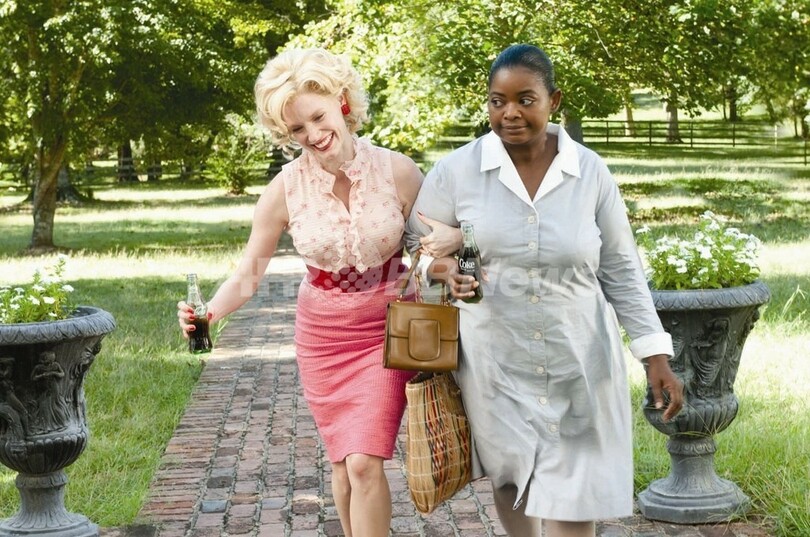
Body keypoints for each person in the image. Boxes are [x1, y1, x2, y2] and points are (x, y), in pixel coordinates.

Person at [176, 48, 460, 537]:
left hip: (388, 330)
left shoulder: (397, 171)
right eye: (297, 129)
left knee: (364, 462)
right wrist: (208, 313)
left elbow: (430, 251)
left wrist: (451, 254)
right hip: (324, 339)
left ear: (342, 101)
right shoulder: (284, 190)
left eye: (318, 116)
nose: (312, 134)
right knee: (343, 467)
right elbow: (248, 274)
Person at [406, 44, 684, 537]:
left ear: (553, 101)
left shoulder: (589, 172)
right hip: (494, 358)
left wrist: (654, 356)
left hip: (579, 354)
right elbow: (418, 246)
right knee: (513, 477)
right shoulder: (456, 171)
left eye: (525, 100)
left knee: (574, 487)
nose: (509, 113)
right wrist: (445, 269)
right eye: (497, 101)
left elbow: (621, 267)